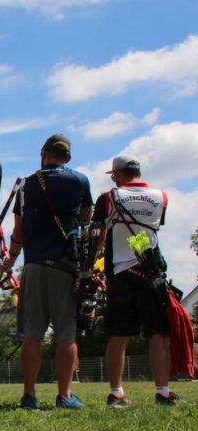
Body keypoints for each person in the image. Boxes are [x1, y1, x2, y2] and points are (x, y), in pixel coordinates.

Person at [0, 134, 93, 409]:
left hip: (33, 265)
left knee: (33, 333)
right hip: (65, 266)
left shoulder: (26, 185)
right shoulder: (79, 180)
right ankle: (65, 395)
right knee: (67, 332)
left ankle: (29, 395)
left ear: (43, 152)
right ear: (68, 157)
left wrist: (11, 258)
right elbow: (86, 218)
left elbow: (18, 229)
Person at [91, 154, 179, 406]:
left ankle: (116, 392)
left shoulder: (109, 197)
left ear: (117, 174)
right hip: (151, 274)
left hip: (120, 273)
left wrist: (94, 258)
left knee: (118, 334)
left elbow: (98, 234)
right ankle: (163, 391)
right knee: (157, 333)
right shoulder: (160, 197)